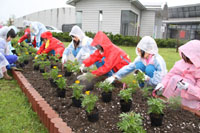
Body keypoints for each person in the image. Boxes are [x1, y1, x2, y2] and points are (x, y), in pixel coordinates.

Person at [154, 40, 200, 110]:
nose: (186, 60)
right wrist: (162, 84)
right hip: (172, 96)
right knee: (174, 78)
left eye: (189, 57)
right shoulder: (181, 63)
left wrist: (188, 87)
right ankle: (169, 101)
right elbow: (170, 75)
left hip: (189, 100)